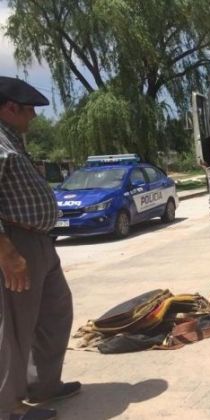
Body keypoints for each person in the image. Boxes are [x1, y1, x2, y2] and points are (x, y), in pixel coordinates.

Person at [0, 77, 79, 420]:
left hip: (40, 243)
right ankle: (8, 407)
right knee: (14, 328)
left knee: (55, 313)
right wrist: (7, 252)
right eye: (29, 109)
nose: (34, 116)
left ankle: (43, 384)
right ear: (10, 108)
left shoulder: (13, 142)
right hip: (16, 245)